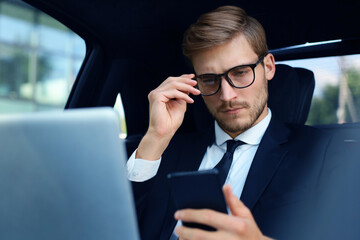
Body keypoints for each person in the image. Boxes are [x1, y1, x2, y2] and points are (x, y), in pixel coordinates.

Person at [127, 5, 331, 240]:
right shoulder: (166, 151)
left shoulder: (322, 151)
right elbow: (116, 227)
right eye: (209, 80)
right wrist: (155, 137)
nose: (226, 95)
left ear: (268, 67)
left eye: (241, 72)